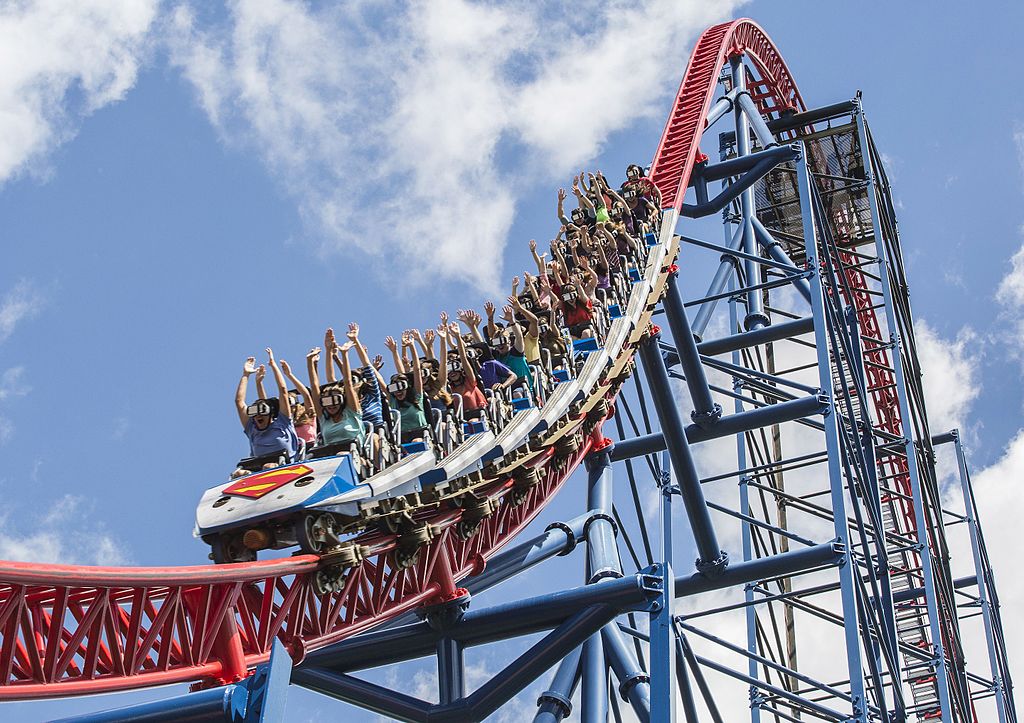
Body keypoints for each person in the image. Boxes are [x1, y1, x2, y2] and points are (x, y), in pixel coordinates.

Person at [232, 349, 299, 476]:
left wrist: (274, 365)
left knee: (268, 466)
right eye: (254, 412)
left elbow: (283, 391)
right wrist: (246, 374)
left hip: (286, 466)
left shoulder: (283, 422)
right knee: (239, 473)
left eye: (262, 411)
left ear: (270, 413)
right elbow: (239, 402)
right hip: (258, 470)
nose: (258, 416)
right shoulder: (252, 428)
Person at [309, 329, 365, 450]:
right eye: (327, 401)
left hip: (355, 456)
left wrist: (344, 355)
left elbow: (348, 383)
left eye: (335, 400)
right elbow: (314, 388)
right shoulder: (324, 418)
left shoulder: (351, 412)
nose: (331, 405)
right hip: (330, 460)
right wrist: (310, 362)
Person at [385, 333, 429, 444]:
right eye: (395, 388)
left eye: (402, 387)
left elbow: (417, 370)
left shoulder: (416, 397)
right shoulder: (394, 402)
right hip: (402, 439)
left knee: (416, 441)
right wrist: (394, 352)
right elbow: (379, 381)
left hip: (420, 434)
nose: (398, 391)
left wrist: (411, 346)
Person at [446, 321, 488, 420]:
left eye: (454, 367)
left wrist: (457, 336)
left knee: (472, 421)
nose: (452, 372)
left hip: (479, 416)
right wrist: (444, 339)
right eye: (449, 368)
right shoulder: (450, 388)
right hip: (460, 422)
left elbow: (464, 358)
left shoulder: (469, 381)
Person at [280, 357, 317, 447]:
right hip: (293, 453)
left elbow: (306, 395)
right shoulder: (284, 422)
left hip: (310, 448)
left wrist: (289, 375)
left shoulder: (307, 415)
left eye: (289, 402)